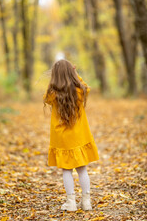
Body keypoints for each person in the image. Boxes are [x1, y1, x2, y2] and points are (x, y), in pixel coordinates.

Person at [43, 59, 99, 211]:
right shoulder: (79, 91)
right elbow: (86, 88)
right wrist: (76, 75)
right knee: (82, 170)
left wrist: (55, 80)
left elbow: (45, 99)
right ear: (72, 73)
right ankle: (86, 201)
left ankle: (71, 202)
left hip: (62, 140)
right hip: (79, 137)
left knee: (66, 171)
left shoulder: (53, 94)